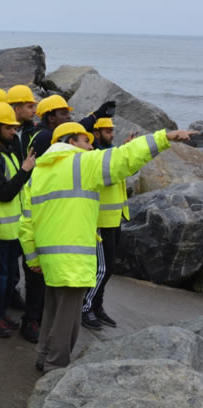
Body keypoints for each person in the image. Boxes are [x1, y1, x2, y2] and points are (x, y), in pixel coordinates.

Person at [20, 121, 195, 373]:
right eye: (86, 140)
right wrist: (165, 137)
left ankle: (42, 356)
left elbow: (26, 220)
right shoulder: (83, 164)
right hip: (74, 255)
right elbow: (125, 158)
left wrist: (33, 258)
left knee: (53, 309)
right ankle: (55, 366)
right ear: (71, 142)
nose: (91, 145)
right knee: (67, 317)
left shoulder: (39, 172)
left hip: (49, 255)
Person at [0, 103, 36, 338]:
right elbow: (3, 193)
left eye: (15, 128)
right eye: (9, 128)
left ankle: (1, 315)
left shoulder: (9, 151)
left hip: (13, 230)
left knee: (8, 277)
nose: (14, 132)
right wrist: (24, 171)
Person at [81, 118, 132, 330]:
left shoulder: (112, 152)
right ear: (96, 132)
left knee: (107, 268)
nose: (112, 134)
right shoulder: (95, 155)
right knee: (103, 268)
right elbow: (111, 172)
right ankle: (86, 308)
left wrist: (126, 151)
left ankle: (97, 306)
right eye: (107, 131)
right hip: (101, 221)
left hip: (114, 218)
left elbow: (127, 170)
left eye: (112, 130)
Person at [3, 84, 43, 342]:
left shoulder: (26, 133)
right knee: (7, 266)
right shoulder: (10, 139)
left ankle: (14, 297)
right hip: (9, 214)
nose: (34, 109)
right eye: (29, 106)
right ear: (17, 108)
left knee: (17, 265)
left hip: (22, 208)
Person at [29, 94, 115, 157]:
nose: (68, 116)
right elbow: (70, 133)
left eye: (68, 113)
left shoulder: (42, 133)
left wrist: (95, 117)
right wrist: (95, 116)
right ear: (51, 118)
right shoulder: (44, 136)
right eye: (63, 114)